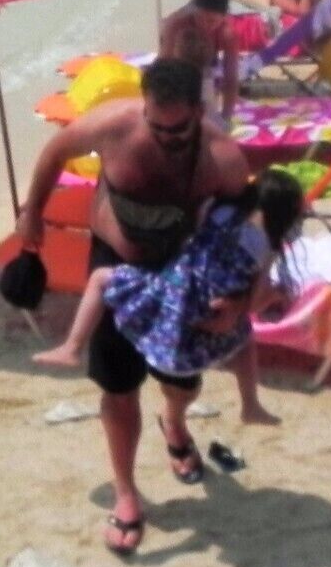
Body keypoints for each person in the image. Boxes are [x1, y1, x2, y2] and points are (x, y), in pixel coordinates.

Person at [14, 58, 251, 558]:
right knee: (118, 388)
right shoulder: (113, 126)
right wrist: (33, 211)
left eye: (177, 129)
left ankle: (175, 422)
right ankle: (126, 493)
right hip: (114, 266)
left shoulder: (222, 156)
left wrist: (236, 298)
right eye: (156, 126)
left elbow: (245, 232)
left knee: (182, 382)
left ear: (198, 111)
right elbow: (55, 151)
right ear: (144, 107)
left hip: (181, 275)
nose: (166, 138)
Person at [32, 168, 305, 436]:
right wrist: (276, 294)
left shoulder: (217, 211)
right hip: (205, 314)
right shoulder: (266, 248)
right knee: (245, 339)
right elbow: (253, 304)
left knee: (100, 279)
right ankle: (250, 404)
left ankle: (73, 346)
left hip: (171, 296)